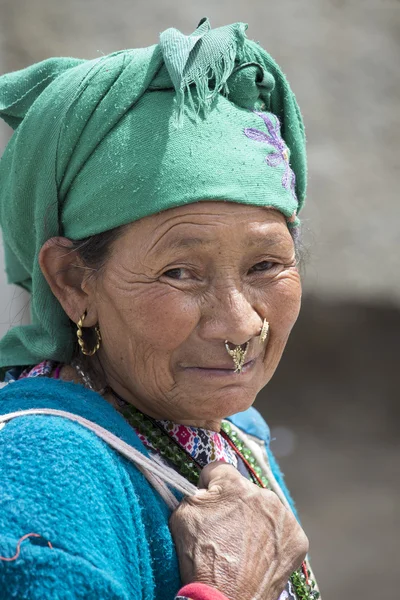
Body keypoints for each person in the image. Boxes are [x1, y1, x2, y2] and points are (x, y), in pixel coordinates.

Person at [0, 18, 320, 600]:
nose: (241, 324)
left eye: (266, 266)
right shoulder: (35, 475)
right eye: (180, 273)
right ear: (74, 283)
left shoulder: (233, 439)